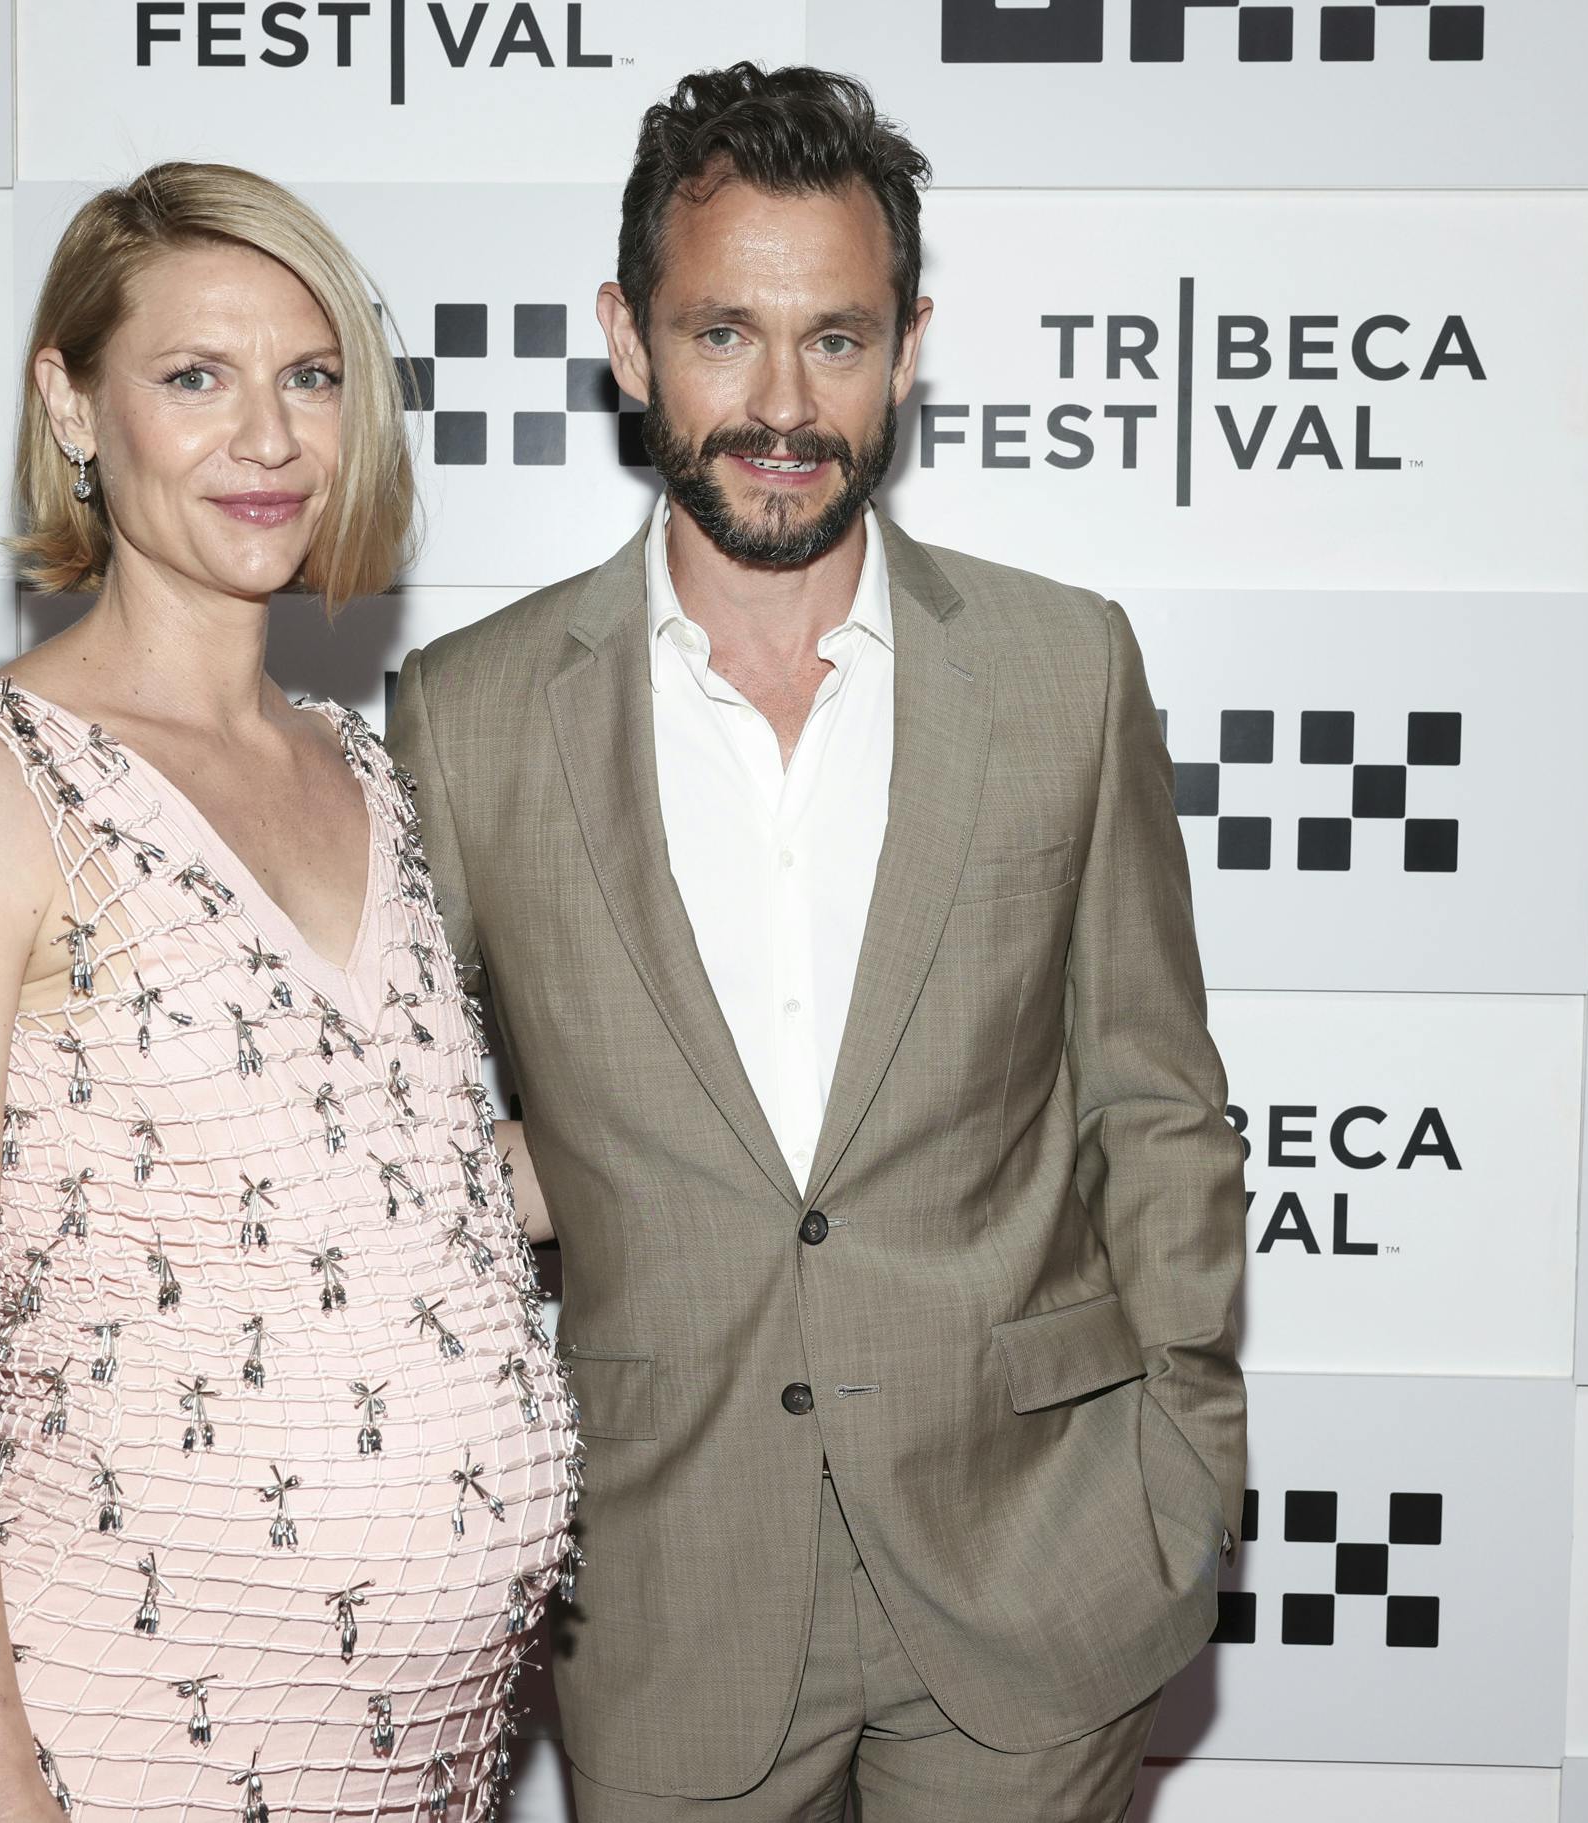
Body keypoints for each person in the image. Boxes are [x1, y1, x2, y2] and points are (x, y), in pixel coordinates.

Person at [386, 66, 1248, 1823]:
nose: (779, 406)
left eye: (835, 340)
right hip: (665, 1580)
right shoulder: (464, 720)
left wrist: (1185, 1467)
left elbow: (1154, 1100)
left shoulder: (1058, 671)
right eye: (722, 333)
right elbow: (402, 1174)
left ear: (908, 346)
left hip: (1037, 1558)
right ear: (627, 340)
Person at [0, 162, 573, 1823]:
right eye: (193, 379)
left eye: (311, 378)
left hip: (414, 1775)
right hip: (114, 1752)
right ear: (71, 407)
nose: (269, 440)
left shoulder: (364, 776)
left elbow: (396, 1198)